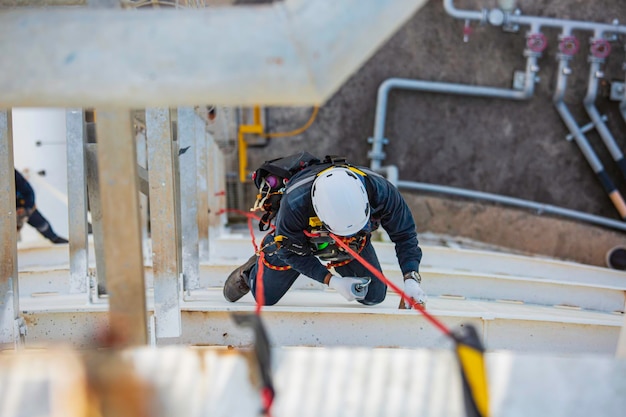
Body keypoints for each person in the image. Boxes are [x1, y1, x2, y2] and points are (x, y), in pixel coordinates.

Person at [223, 154, 426, 308]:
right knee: (264, 297)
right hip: (300, 240)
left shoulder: (382, 192)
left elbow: (405, 235)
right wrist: (332, 281)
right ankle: (254, 266)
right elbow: (288, 252)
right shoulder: (294, 204)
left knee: (373, 295)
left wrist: (411, 278)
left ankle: (348, 242)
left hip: (353, 242)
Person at [15, 169, 68, 244]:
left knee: (42, 225)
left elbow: (28, 192)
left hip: (22, 206)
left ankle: (55, 238)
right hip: (6, 211)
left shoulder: (10, 171)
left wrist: (26, 207)